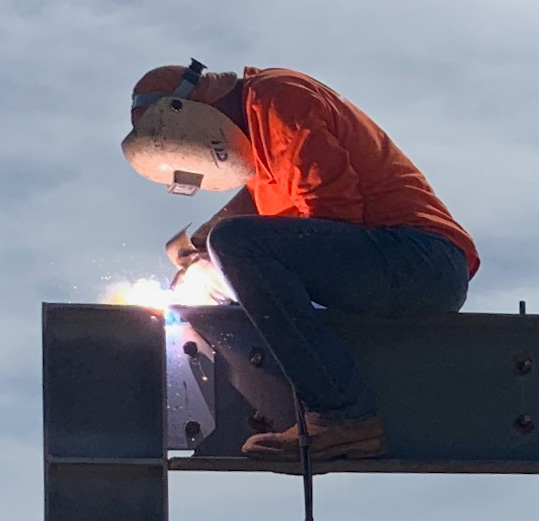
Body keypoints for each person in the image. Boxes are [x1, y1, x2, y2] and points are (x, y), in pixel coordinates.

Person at [122, 60, 480, 461]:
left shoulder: (278, 100)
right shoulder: (261, 140)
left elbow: (332, 213)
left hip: (418, 259)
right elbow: (268, 221)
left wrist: (221, 248)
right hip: (400, 266)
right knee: (232, 251)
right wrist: (204, 248)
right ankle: (325, 398)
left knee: (235, 246)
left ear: (184, 112)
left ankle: (342, 413)